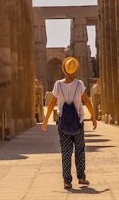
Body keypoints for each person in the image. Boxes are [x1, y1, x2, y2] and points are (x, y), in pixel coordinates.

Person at [41, 56, 97, 190]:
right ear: (75, 70)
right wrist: (94, 117)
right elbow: (87, 101)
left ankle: (67, 181)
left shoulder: (58, 84)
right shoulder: (79, 84)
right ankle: (81, 177)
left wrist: (45, 120)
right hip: (78, 122)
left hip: (63, 123)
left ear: (64, 70)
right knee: (79, 151)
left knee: (65, 152)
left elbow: (52, 103)